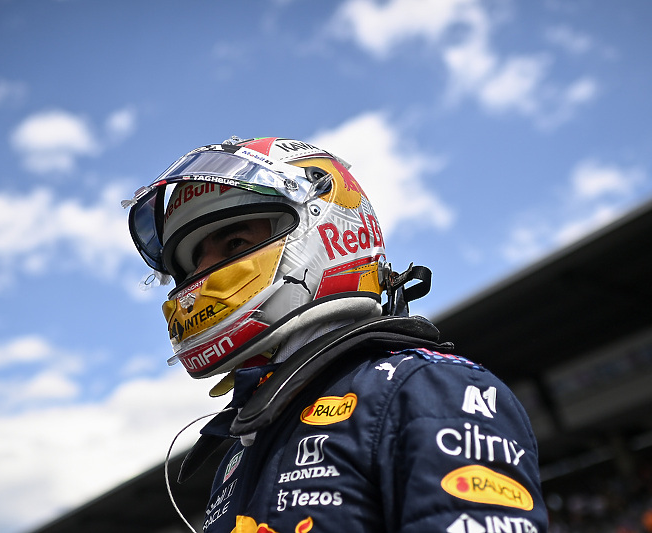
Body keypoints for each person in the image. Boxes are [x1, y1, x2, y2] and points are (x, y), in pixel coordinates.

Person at [124, 137, 548, 533]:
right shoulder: (241, 445)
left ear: (324, 231)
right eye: (193, 263)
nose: (201, 276)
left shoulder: (426, 388)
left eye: (233, 244)